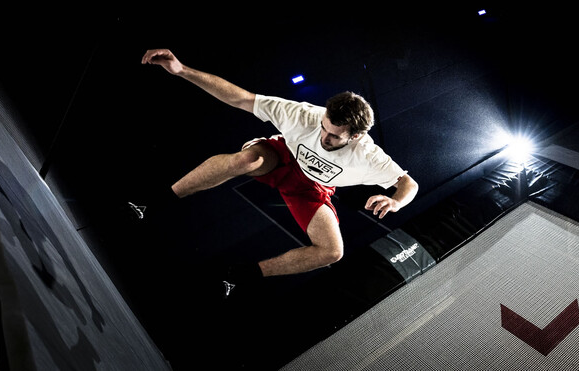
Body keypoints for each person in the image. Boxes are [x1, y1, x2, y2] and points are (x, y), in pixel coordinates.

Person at [131, 48, 418, 297]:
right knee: (248, 160)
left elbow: (408, 183)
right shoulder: (304, 115)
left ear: (354, 137)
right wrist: (181, 70)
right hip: (281, 157)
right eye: (324, 127)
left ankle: (237, 275)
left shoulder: (368, 156)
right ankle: (149, 203)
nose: (323, 137)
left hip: (311, 187)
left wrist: (395, 201)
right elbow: (241, 99)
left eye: (334, 137)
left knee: (332, 251)